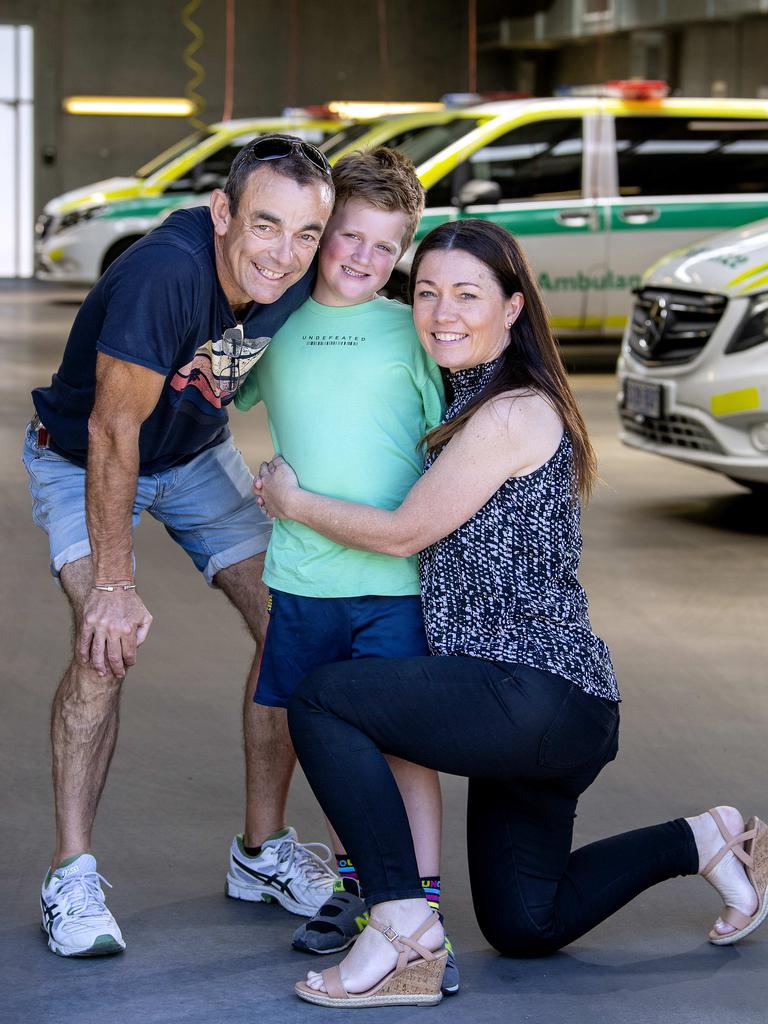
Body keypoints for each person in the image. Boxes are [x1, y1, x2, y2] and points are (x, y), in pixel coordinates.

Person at [254, 219, 768, 1008]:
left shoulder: (508, 414)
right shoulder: (468, 399)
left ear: (514, 307)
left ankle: (399, 926)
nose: (441, 312)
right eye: (425, 293)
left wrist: (293, 502)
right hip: (550, 711)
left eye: (467, 294)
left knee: (322, 700)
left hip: (532, 690)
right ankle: (707, 837)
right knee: (528, 921)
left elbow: (404, 533)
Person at [25, 135, 340, 958]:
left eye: (307, 234)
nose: (285, 254)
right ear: (223, 212)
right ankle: (72, 873)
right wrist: (114, 583)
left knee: (289, 628)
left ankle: (262, 852)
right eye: (266, 226)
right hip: (83, 458)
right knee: (106, 644)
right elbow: (111, 427)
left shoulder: (298, 271)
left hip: (197, 455)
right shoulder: (165, 274)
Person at [232, 148, 459, 992]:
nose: (364, 258)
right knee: (328, 745)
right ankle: (366, 887)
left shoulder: (412, 330)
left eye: (385, 246)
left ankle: (423, 914)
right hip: (302, 580)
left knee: (402, 750)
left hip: (393, 585)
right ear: (321, 232)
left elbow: (451, 442)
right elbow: (211, 389)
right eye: (349, 237)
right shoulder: (272, 324)